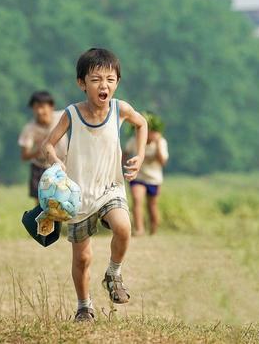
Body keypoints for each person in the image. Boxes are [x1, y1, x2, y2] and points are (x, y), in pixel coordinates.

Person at [43, 47, 148, 322]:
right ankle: (84, 306)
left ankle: (114, 273)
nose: (104, 85)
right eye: (96, 79)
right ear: (82, 83)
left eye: (110, 80)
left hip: (109, 188)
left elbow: (142, 124)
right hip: (77, 196)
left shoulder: (119, 110)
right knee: (82, 258)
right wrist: (56, 161)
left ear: (117, 83)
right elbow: (48, 146)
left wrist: (140, 155)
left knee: (124, 228)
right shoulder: (71, 114)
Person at [18, 91, 67, 204]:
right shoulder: (30, 129)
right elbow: (25, 155)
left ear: (51, 107)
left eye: (42, 107)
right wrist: (41, 148)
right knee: (41, 204)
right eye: (36, 108)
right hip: (40, 167)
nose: (40, 112)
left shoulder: (62, 117)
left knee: (62, 202)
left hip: (62, 165)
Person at [124, 113, 169, 236]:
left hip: (154, 179)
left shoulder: (161, 142)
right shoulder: (134, 140)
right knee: (137, 200)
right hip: (137, 177)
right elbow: (125, 153)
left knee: (152, 206)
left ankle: (153, 229)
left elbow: (162, 161)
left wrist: (158, 142)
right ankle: (139, 229)